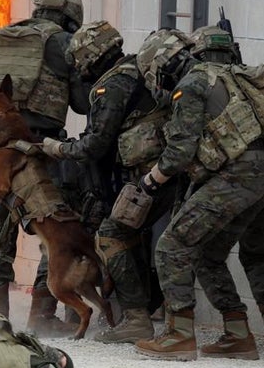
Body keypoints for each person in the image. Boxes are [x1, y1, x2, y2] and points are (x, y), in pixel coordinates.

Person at [130, 29, 264, 361]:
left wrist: (150, 181)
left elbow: (179, 152)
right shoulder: (229, 76)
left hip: (235, 177)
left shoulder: (191, 84)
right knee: (207, 253)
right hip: (262, 174)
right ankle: (238, 336)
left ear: (162, 64)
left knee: (172, 246)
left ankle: (178, 334)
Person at [42, 24, 180, 344]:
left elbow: (95, 144)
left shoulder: (113, 85)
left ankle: (136, 318)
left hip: (147, 175)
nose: (79, 68)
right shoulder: (133, 70)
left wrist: (58, 148)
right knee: (133, 235)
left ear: (93, 54)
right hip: (157, 171)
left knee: (111, 236)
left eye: (80, 60)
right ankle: (144, 306)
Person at [0, 0, 90, 336]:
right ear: (68, 17)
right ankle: (41, 314)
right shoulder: (63, 43)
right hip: (41, 148)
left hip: (4, 148)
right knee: (53, 230)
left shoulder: (8, 38)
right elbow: (82, 104)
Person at [185, 25, 264, 352]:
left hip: (230, 179)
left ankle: (233, 330)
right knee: (256, 255)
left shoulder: (208, 83)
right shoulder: (251, 81)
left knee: (201, 250)